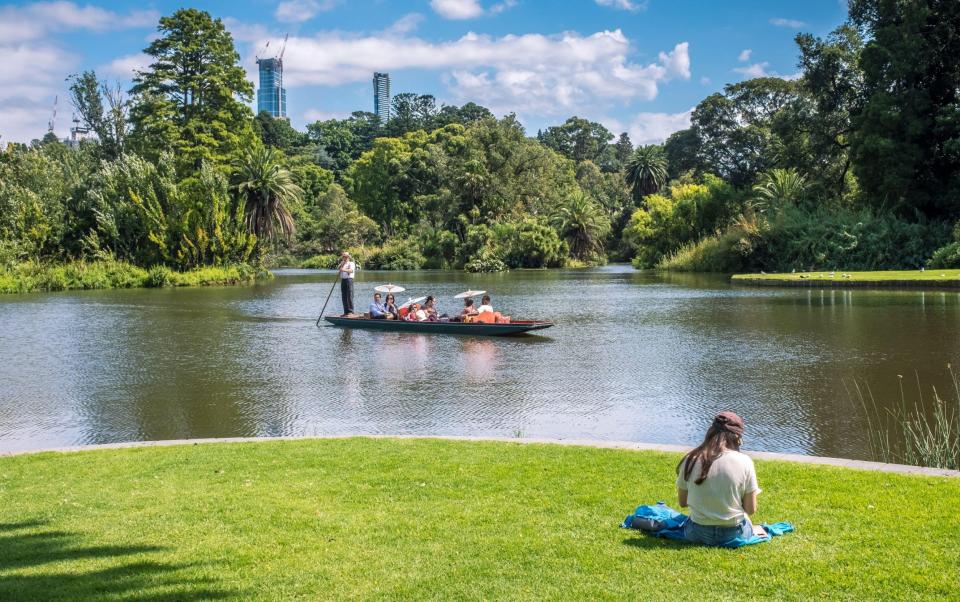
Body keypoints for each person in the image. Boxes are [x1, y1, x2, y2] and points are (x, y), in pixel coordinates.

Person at [675, 411, 767, 546]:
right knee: (746, 518)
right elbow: (750, 509)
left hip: (696, 533)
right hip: (734, 532)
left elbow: (683, 502)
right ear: (737, 438)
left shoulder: (691, 459)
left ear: (711, 432)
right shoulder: (745, 461)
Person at [338, 251, 355, 316]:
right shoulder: (342, 263)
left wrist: (343, 270)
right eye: (343, 257)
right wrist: (341, 265)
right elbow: (339, 269)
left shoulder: (351, 263)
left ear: (348, 257)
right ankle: (346, 312)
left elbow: (351, 270)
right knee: (344, 296)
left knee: (349, 296)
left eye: (345, 257)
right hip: (343, 280)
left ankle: (351, 312)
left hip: (349, 280)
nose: (344, 258)